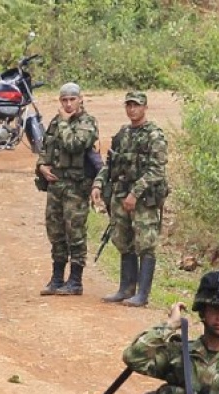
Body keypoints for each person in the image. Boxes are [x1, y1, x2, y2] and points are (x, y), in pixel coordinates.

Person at [122, 269, 219, 394]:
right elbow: (134, 357)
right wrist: (170, 325)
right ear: (203, 311)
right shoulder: (181, 354)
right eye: (214, 309)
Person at [92, 91, 169, 307]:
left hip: (144, 200)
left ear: (145, 107)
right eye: (129, 105)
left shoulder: (154, 135)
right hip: (120, 195)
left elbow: (157, 170)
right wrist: (98, 184)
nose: (132, 109)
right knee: (123, 241)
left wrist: (135, 193)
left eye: (136, 105)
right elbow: (110, 164)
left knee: (145, 244)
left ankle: (142, 295)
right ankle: (126, 289)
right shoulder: (122, 134)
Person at [36, 83, 100, 296]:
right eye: (64, 100)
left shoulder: (87, 123)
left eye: (72, 99)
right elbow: (46, 146)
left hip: (76, 186)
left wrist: (64, 121)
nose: (68, 104)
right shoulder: (56, 122)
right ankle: (57, 277)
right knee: (55, 232)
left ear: (81, 99)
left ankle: (75, 280)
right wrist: (42, 166)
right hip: (56, 184)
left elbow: (74, 144)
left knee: (75, 232)